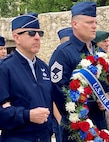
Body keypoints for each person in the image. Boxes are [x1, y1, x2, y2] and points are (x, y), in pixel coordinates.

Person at [49, 2, 109, 141]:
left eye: (95, 22)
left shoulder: (98, 51)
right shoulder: (63, 53)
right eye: (89, 22)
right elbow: (58, 92)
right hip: (76, 129)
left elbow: (106, 80)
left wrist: (105, 95)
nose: (94, 26)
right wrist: (80, 116)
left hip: (99, 122)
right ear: (75, 24)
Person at [0, 12, 54, 142]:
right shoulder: (5, 68)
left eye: (39, 33)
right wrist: (27, 115)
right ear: (16, 38)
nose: (37, 37)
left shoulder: (44, 67)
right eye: (31, 33)